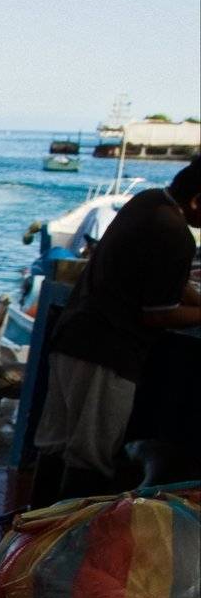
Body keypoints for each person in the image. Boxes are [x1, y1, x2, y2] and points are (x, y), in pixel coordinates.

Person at [32, 156, 201, 502]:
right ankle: (75, 539)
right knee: (91, 455)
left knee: (55, 443)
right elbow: (158, 313)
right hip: (107, 353)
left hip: (72, 337)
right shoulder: (176, 234)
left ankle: (33, 531)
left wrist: (193, 296)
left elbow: (161, 278)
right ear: (198, 200)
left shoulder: (147, 202)